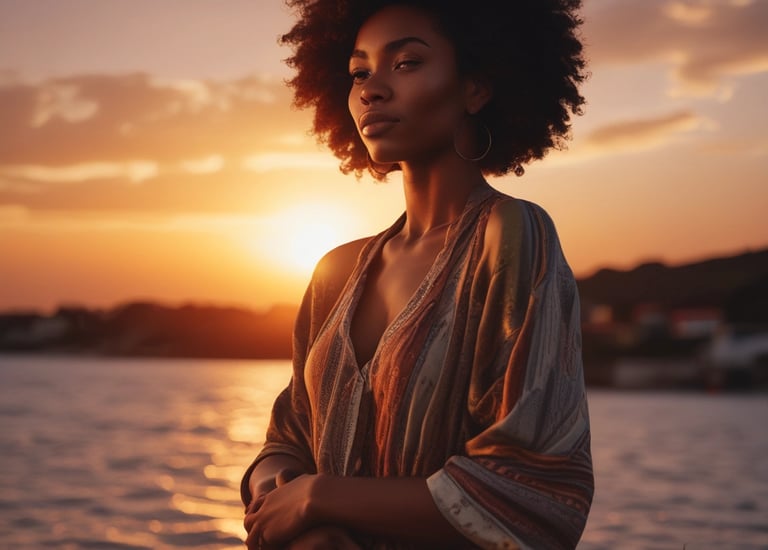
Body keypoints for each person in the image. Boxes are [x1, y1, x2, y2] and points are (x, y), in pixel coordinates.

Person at [242, 0, 594, 548]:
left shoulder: (511, 234)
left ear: (476, 88)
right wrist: (280, 488)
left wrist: (320, 498)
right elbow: (288, 437)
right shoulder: (336, 270)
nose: (371, 90)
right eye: (359, 72)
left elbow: (535, 489)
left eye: (406, 63)